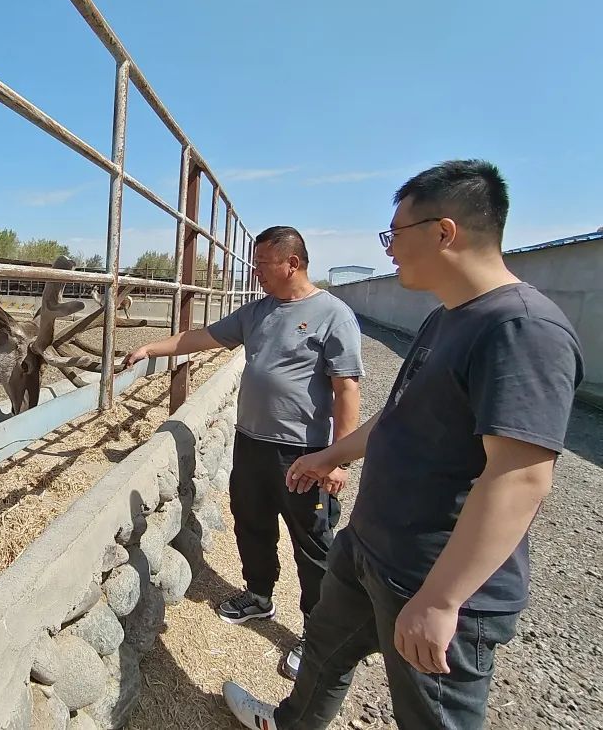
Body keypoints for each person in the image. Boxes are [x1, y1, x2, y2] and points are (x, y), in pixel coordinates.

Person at [222, 160, 584, 730]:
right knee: (323, 654)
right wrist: (328, 457)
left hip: (430, 573)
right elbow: (398, 417)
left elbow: (520, 477)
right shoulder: (447, 319)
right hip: (372, 550)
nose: (389, 251)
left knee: (433, 715)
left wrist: (442, 601)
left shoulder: (521, 329)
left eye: (396, 235)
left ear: (445, 233)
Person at [124, 226, 364, 680]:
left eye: (263, 265)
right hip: (252, 443)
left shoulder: (333, 315)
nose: (256, 273)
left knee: (312, 542)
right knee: (251, 523)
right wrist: (152, 348)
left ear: (292, 263)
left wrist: (338, 459)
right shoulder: (258, 313)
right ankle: (259, 595)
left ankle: (319, 634)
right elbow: (203, 338)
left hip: (305, 452)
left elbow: (347, 389)